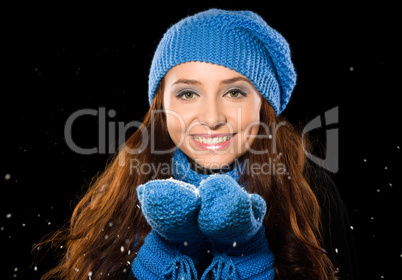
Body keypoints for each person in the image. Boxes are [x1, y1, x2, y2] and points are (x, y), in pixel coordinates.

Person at [40, 8, 358, 280]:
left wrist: (246, 252)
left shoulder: (310, 192)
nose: (211, 117)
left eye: (234, 92)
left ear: (262, 105)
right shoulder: (123, 193)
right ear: (162, 108)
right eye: (188, 94)